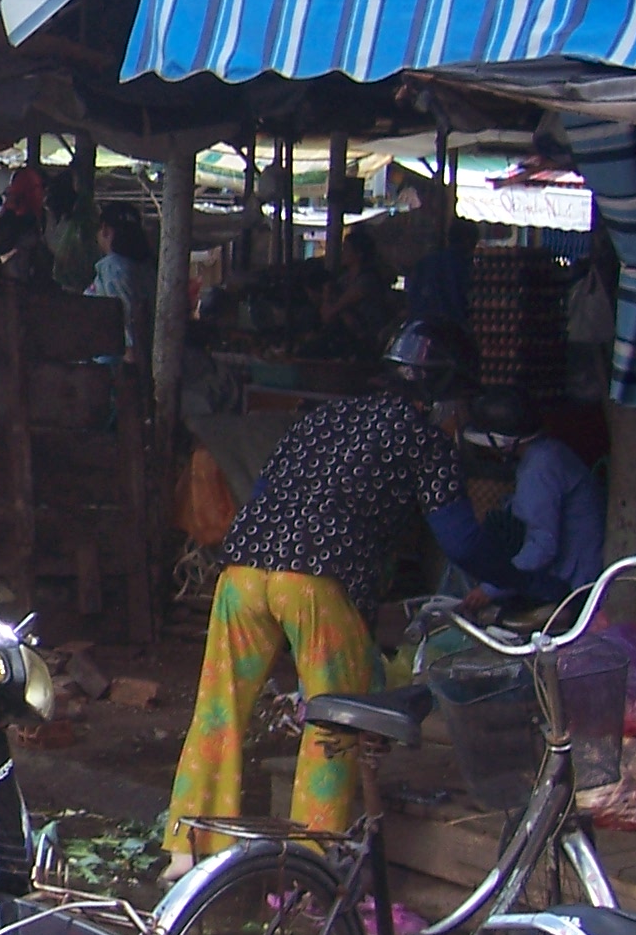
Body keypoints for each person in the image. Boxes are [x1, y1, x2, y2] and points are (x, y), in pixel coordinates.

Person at [161, 322, 481, 879]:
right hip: (315, 582)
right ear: (444, 394)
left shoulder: (323, 418)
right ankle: (314, 866)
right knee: (334, 719)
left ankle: (188, 851)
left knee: (218, 707)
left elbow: (262, 493)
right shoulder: (422, 438)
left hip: (243, 571)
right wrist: (519, 574)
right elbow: (460, 541)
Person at [462, 386, 606, 607]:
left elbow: (543, 546)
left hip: (572, 585)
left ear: (503, 442)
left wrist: (491, 588)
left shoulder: (539, 468)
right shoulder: (547, 452)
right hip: (576, 571)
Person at [85, 208, 153, 365]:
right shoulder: (147, 268)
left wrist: (130, 354)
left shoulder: (114, 267)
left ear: (104, 229)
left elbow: (126, 311)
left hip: (115, 362)